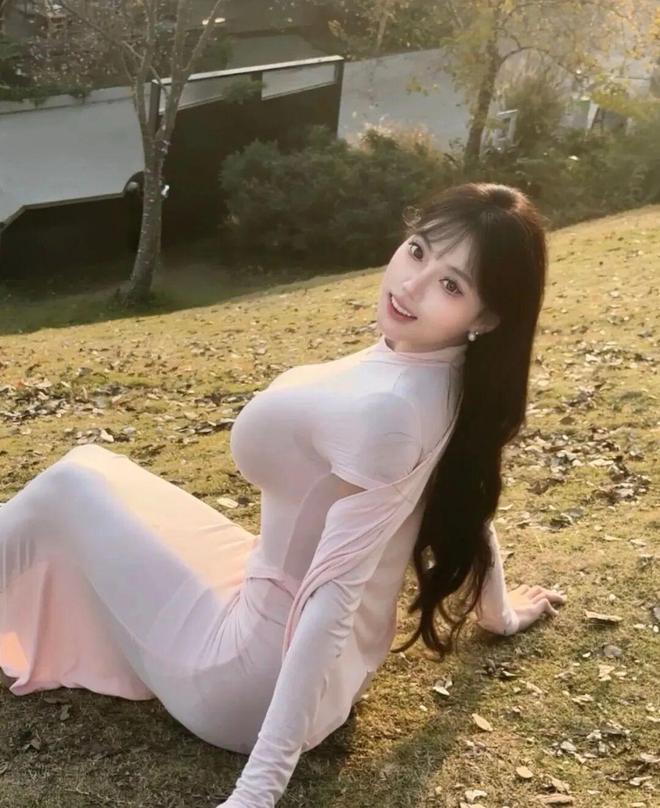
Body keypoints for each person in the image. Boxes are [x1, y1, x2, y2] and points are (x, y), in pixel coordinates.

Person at [1, 181, 566, 807]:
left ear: (486, 319)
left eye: (450, 285)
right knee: (95, 473)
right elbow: (467, 499)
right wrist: (499, 613)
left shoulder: (391, 413)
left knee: (71, 483)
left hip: (247, 677)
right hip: (298, 645)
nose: (410, 285)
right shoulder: (445, 372)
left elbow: (333, 599)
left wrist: (254, 794)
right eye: (416, 250)